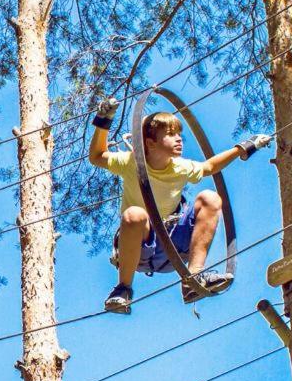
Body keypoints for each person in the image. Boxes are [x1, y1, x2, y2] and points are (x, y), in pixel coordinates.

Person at [88, 97, 271, 314]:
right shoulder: (131, 161)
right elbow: (97, 156)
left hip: (173, 243)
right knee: (135, 214)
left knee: (210, 198)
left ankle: (192, 278)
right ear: (150, 142)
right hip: (140, 247)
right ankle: (123, 289)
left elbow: (210, 166)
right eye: (170, 134)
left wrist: (245, 147)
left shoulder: (180, 167)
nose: (179, 140)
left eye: (179, 134)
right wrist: (103, 121)